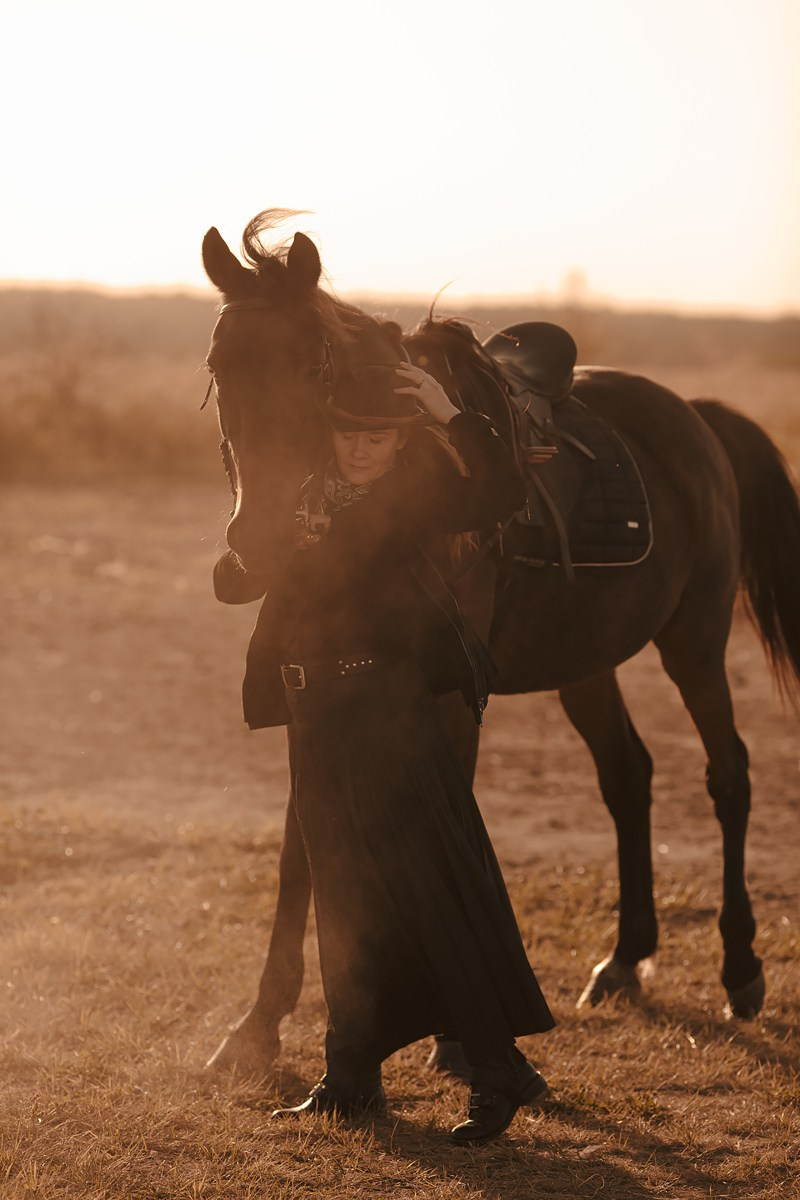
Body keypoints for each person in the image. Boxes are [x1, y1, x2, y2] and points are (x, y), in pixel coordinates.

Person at [214, 362, 555, 1144]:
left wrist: (449, 413)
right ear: (329, 431)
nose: (361, 449)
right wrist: (250, 560)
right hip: (317, 715)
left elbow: (501, 494)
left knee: (430, 889)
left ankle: (499, 1072)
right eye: (349, 433)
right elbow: (240, 582)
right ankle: (351, 1078)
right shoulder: (305, 494)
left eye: (378, 436)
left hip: (385, 714)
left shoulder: (411, 497)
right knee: (343, 897)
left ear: (400, 440)